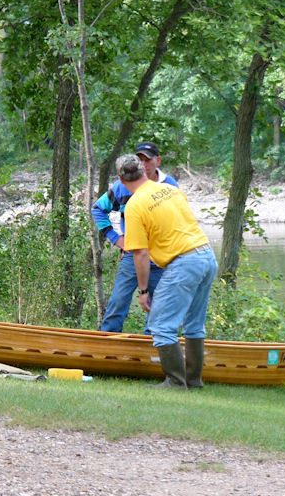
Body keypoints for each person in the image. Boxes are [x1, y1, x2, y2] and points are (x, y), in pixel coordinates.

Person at [117, 154, 218, 389]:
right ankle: (193, 380)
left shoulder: (134, 206)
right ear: (144, 171)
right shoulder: (171, 190)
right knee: (194, 324)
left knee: (161, 325)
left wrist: (143, 291)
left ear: (121, 180)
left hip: (184, 262)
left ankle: (175, 381)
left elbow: (140, 254)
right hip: (206, 255)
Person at [91, 142, 179, 333]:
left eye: (148, 159)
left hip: (160, 256)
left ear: (158, 161)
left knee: (157, 305)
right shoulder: (121, 187)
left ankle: (151, 345)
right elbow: (98, 209)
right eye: (140, 159)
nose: (144, 164)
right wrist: (117, 239)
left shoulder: (170, 185)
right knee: (118, 301)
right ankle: (106, 342)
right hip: (133, 254)